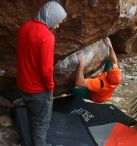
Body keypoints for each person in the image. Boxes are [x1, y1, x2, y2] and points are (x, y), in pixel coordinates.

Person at [16, 1, 67, 146]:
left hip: (23, 84)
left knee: (32, 116)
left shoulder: (24, 27)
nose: (57, 26)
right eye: (58, 22)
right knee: (41, 123)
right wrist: (50, 86)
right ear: (51, 16)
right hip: (38, 90)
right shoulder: (47, 37)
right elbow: (46, 69)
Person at [75, 37, 122, 103]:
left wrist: (81, 64)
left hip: (95, 97)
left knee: (73, 90)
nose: (113, 68)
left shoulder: (99, 83)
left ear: (107, 75)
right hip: (106, 92)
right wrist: (110, 45)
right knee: (109, 61)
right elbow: (114, 62)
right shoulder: (117, 78)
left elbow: (79, 82)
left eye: (111, 69)